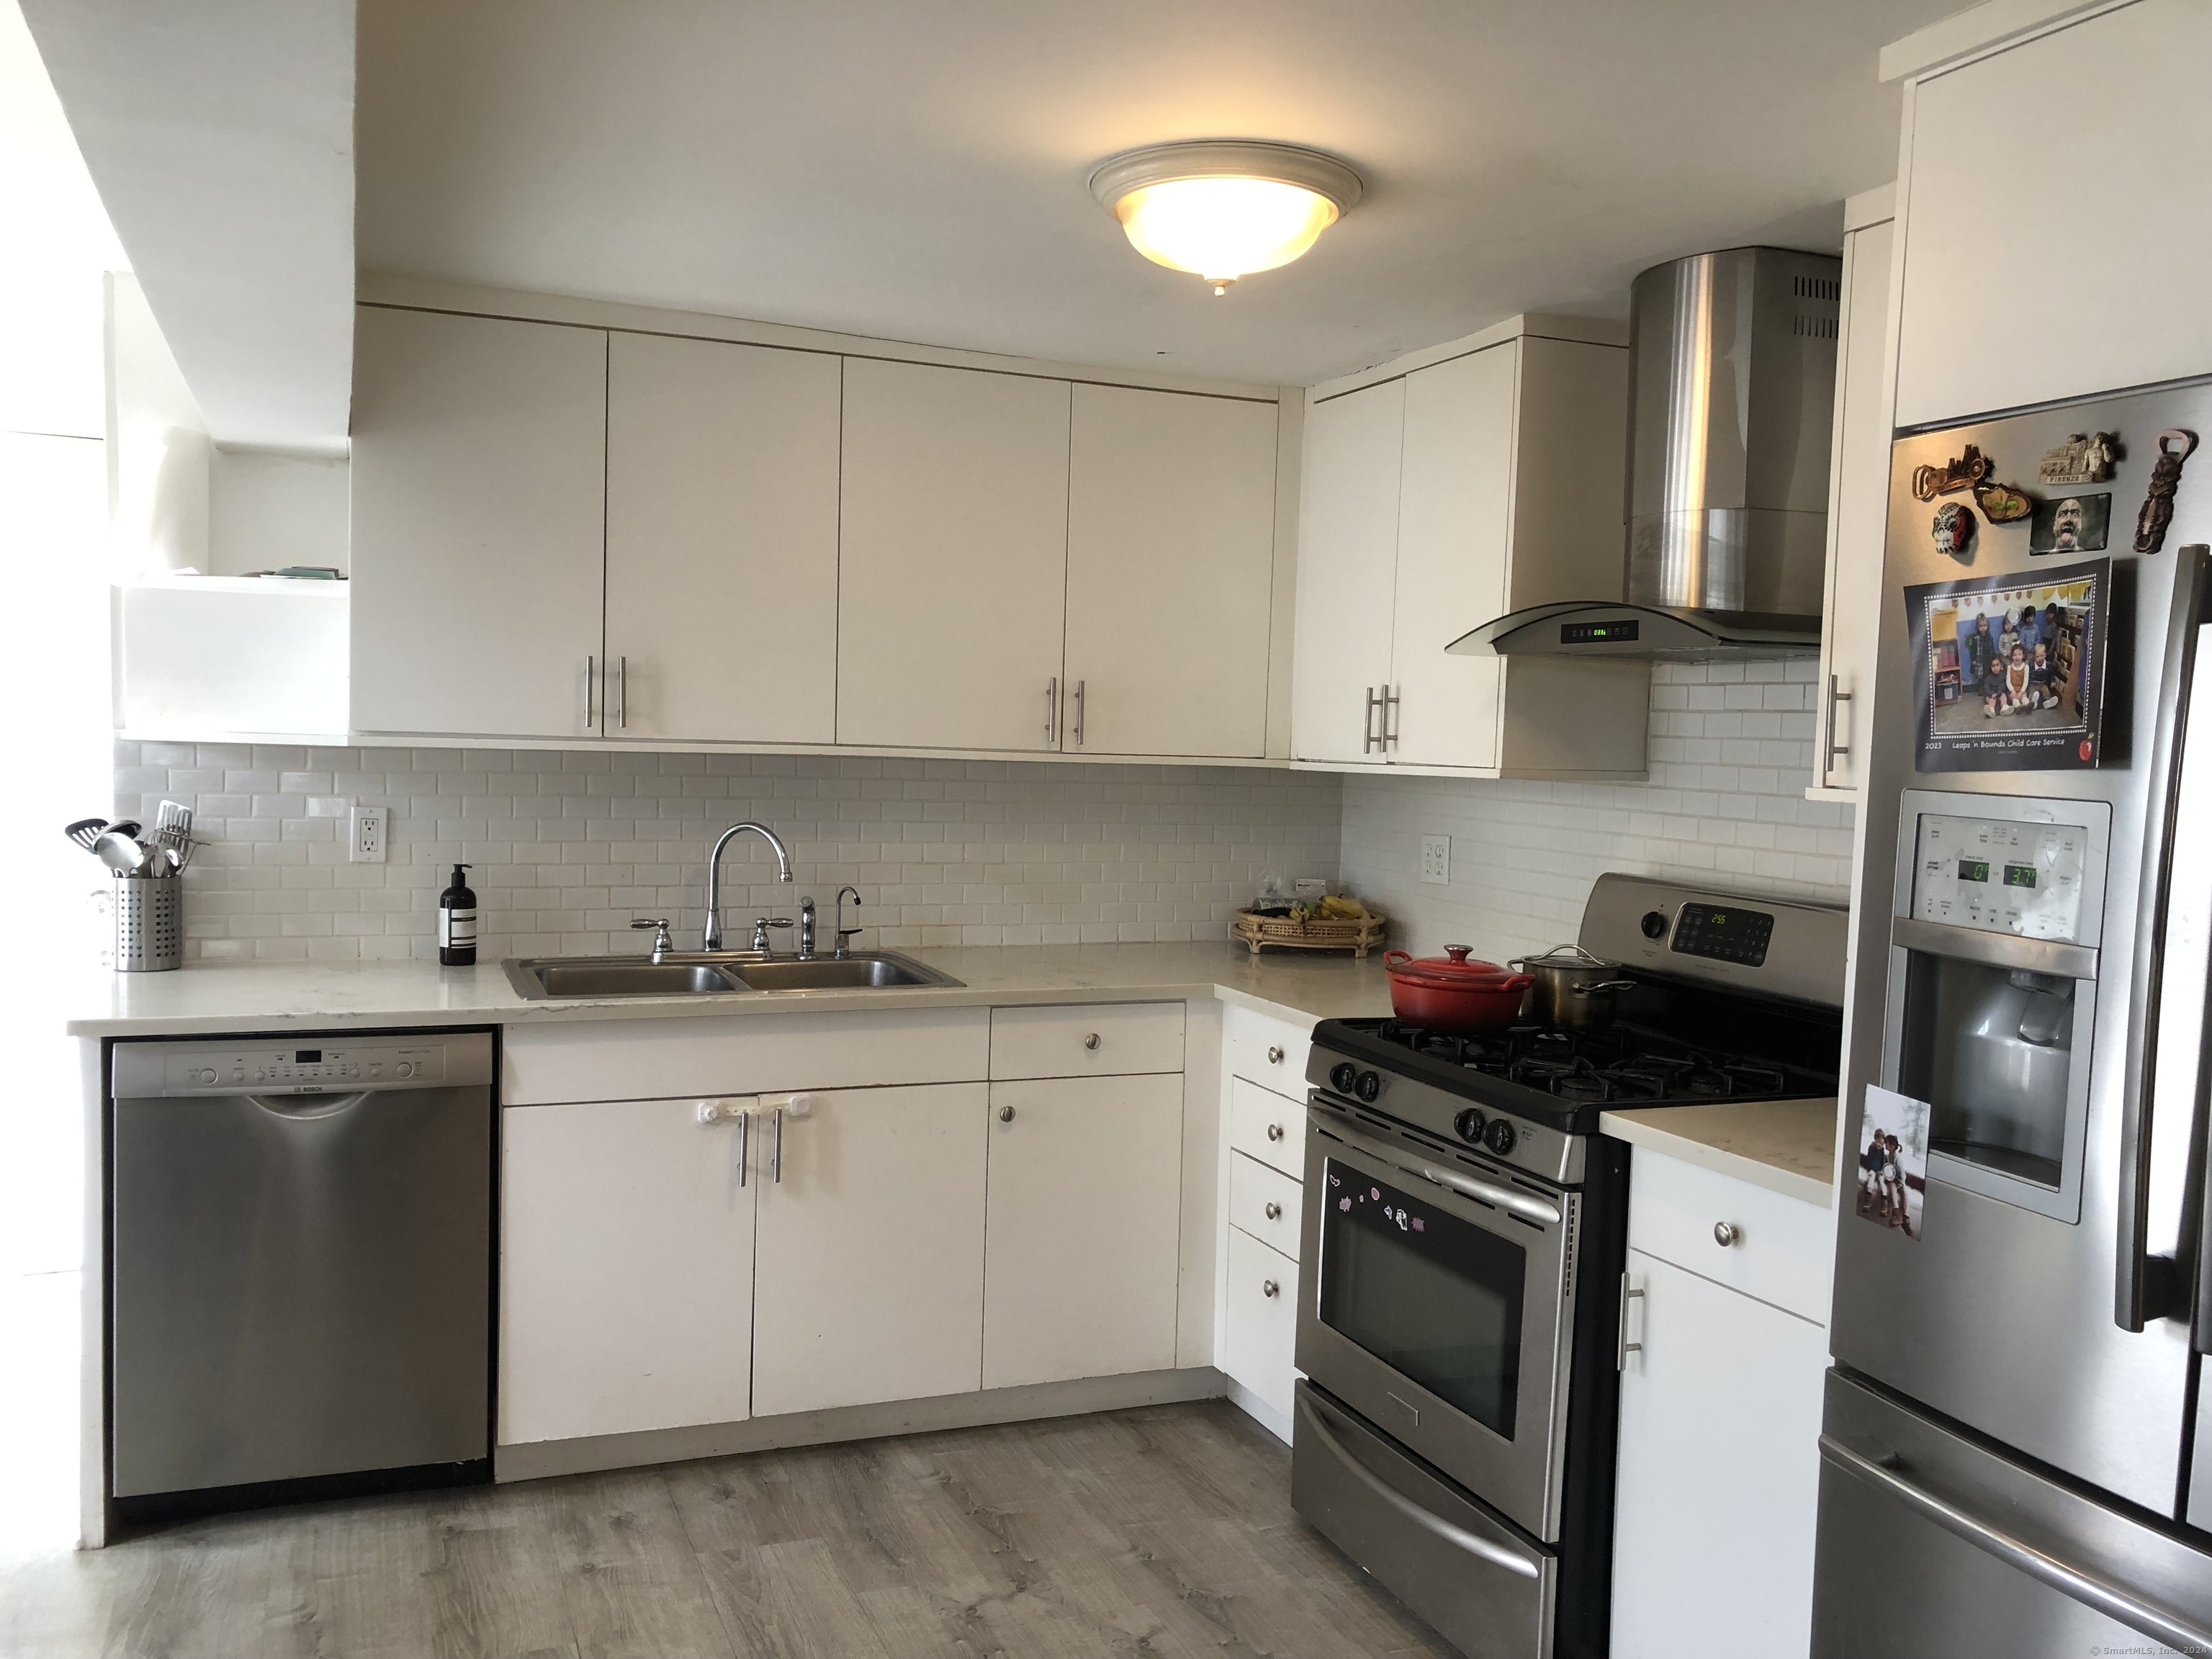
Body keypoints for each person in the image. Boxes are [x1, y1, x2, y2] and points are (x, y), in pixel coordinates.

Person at [1884, 1134, 1912, 1236]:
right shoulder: (1887, 1156)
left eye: (1886, 1143)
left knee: (1904, 1192)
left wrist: (1900, 1184)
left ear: (1891, 1146)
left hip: (1900, 1180)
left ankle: (1906, 1218)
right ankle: (1896, 1212)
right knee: (1892, 1187)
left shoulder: (1897, 1158)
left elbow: (1902, 1175)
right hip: (1892, 1180)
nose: (1884, 1145)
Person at [2028, 641, 2059, 711]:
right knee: (2032, 693)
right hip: (2033, 684)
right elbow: (2028, 675)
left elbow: (2052, 674)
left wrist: (2053, 681)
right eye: (2037, 657)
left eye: (2041, 656)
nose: (2039, 658)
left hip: (2043, 684)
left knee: (2046, 692)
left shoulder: (2048, 665)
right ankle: (2033, 703)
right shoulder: (2031, 665)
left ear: (2045, 655)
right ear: (2034, 657)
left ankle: (2048, 702)